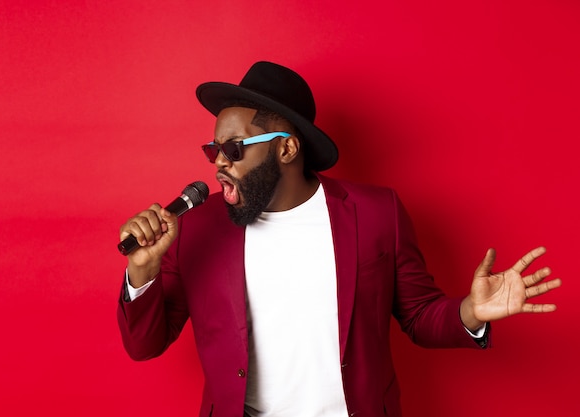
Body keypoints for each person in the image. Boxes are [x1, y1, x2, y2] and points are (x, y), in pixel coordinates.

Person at [116, 61, 561, 417]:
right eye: (214, 150)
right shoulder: (198, 227)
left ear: (286, 148)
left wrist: (471, 311)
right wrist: (143, 271)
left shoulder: (374, 213)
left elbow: (419, 314)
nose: (219, 163)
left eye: (233, 148)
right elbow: (145, 345)